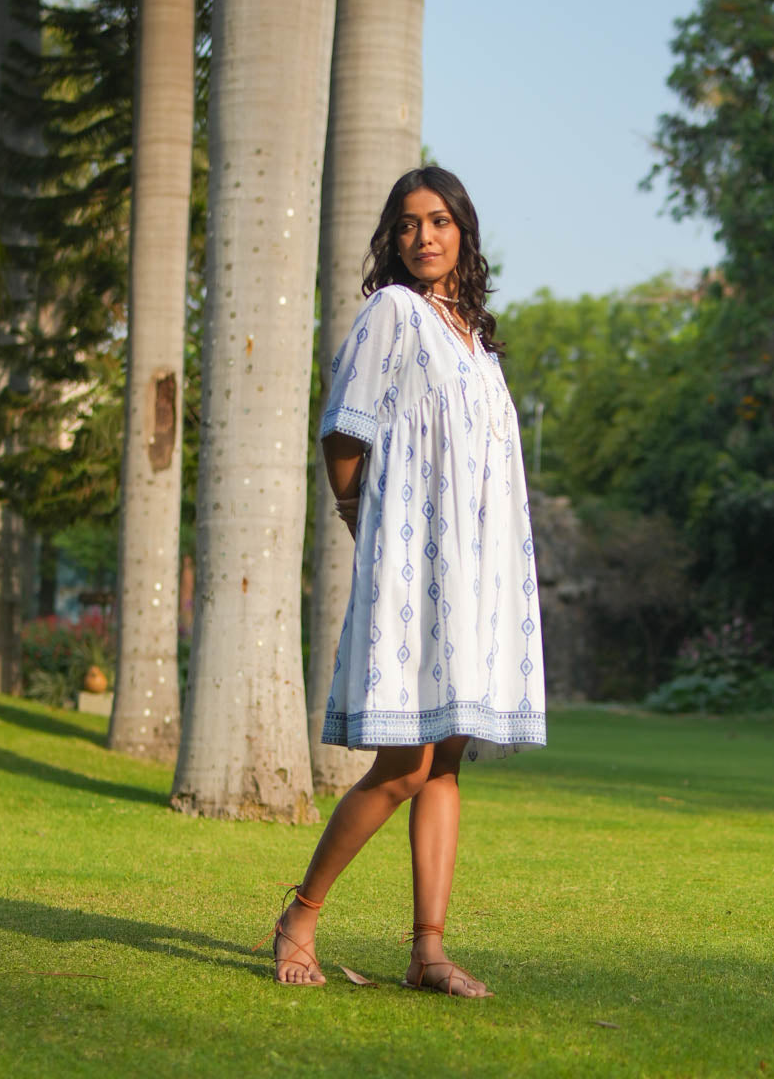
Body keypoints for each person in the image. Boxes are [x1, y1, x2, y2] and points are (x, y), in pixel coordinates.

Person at [265, 167, 546, 997]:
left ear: (464, 231)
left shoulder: (477, 338)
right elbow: (343, 431)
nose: (424, 236)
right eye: (409, 224)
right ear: (393, 238)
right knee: (404, 766)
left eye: (440, 220)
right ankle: (299, 916)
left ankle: (429, 952)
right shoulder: (393, 312)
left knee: (446, 762)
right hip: (417, 565)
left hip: (479, 572)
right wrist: (363, 521)